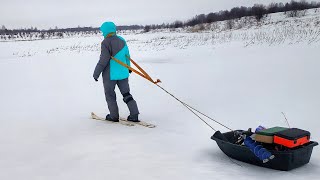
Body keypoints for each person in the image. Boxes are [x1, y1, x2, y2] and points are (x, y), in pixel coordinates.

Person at [93, 22, 140, 122]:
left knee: (110, 95)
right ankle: (134, 114)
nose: (102, 33)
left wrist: (96, 73)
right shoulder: (122, 40)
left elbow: (103, 60)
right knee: (126, 94)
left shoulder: (105, 42)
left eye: (102, 31)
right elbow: (127, 55)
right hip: (123, 73)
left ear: (105, 31)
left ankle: (114, 116)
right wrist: (129, 68)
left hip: (110, 75)